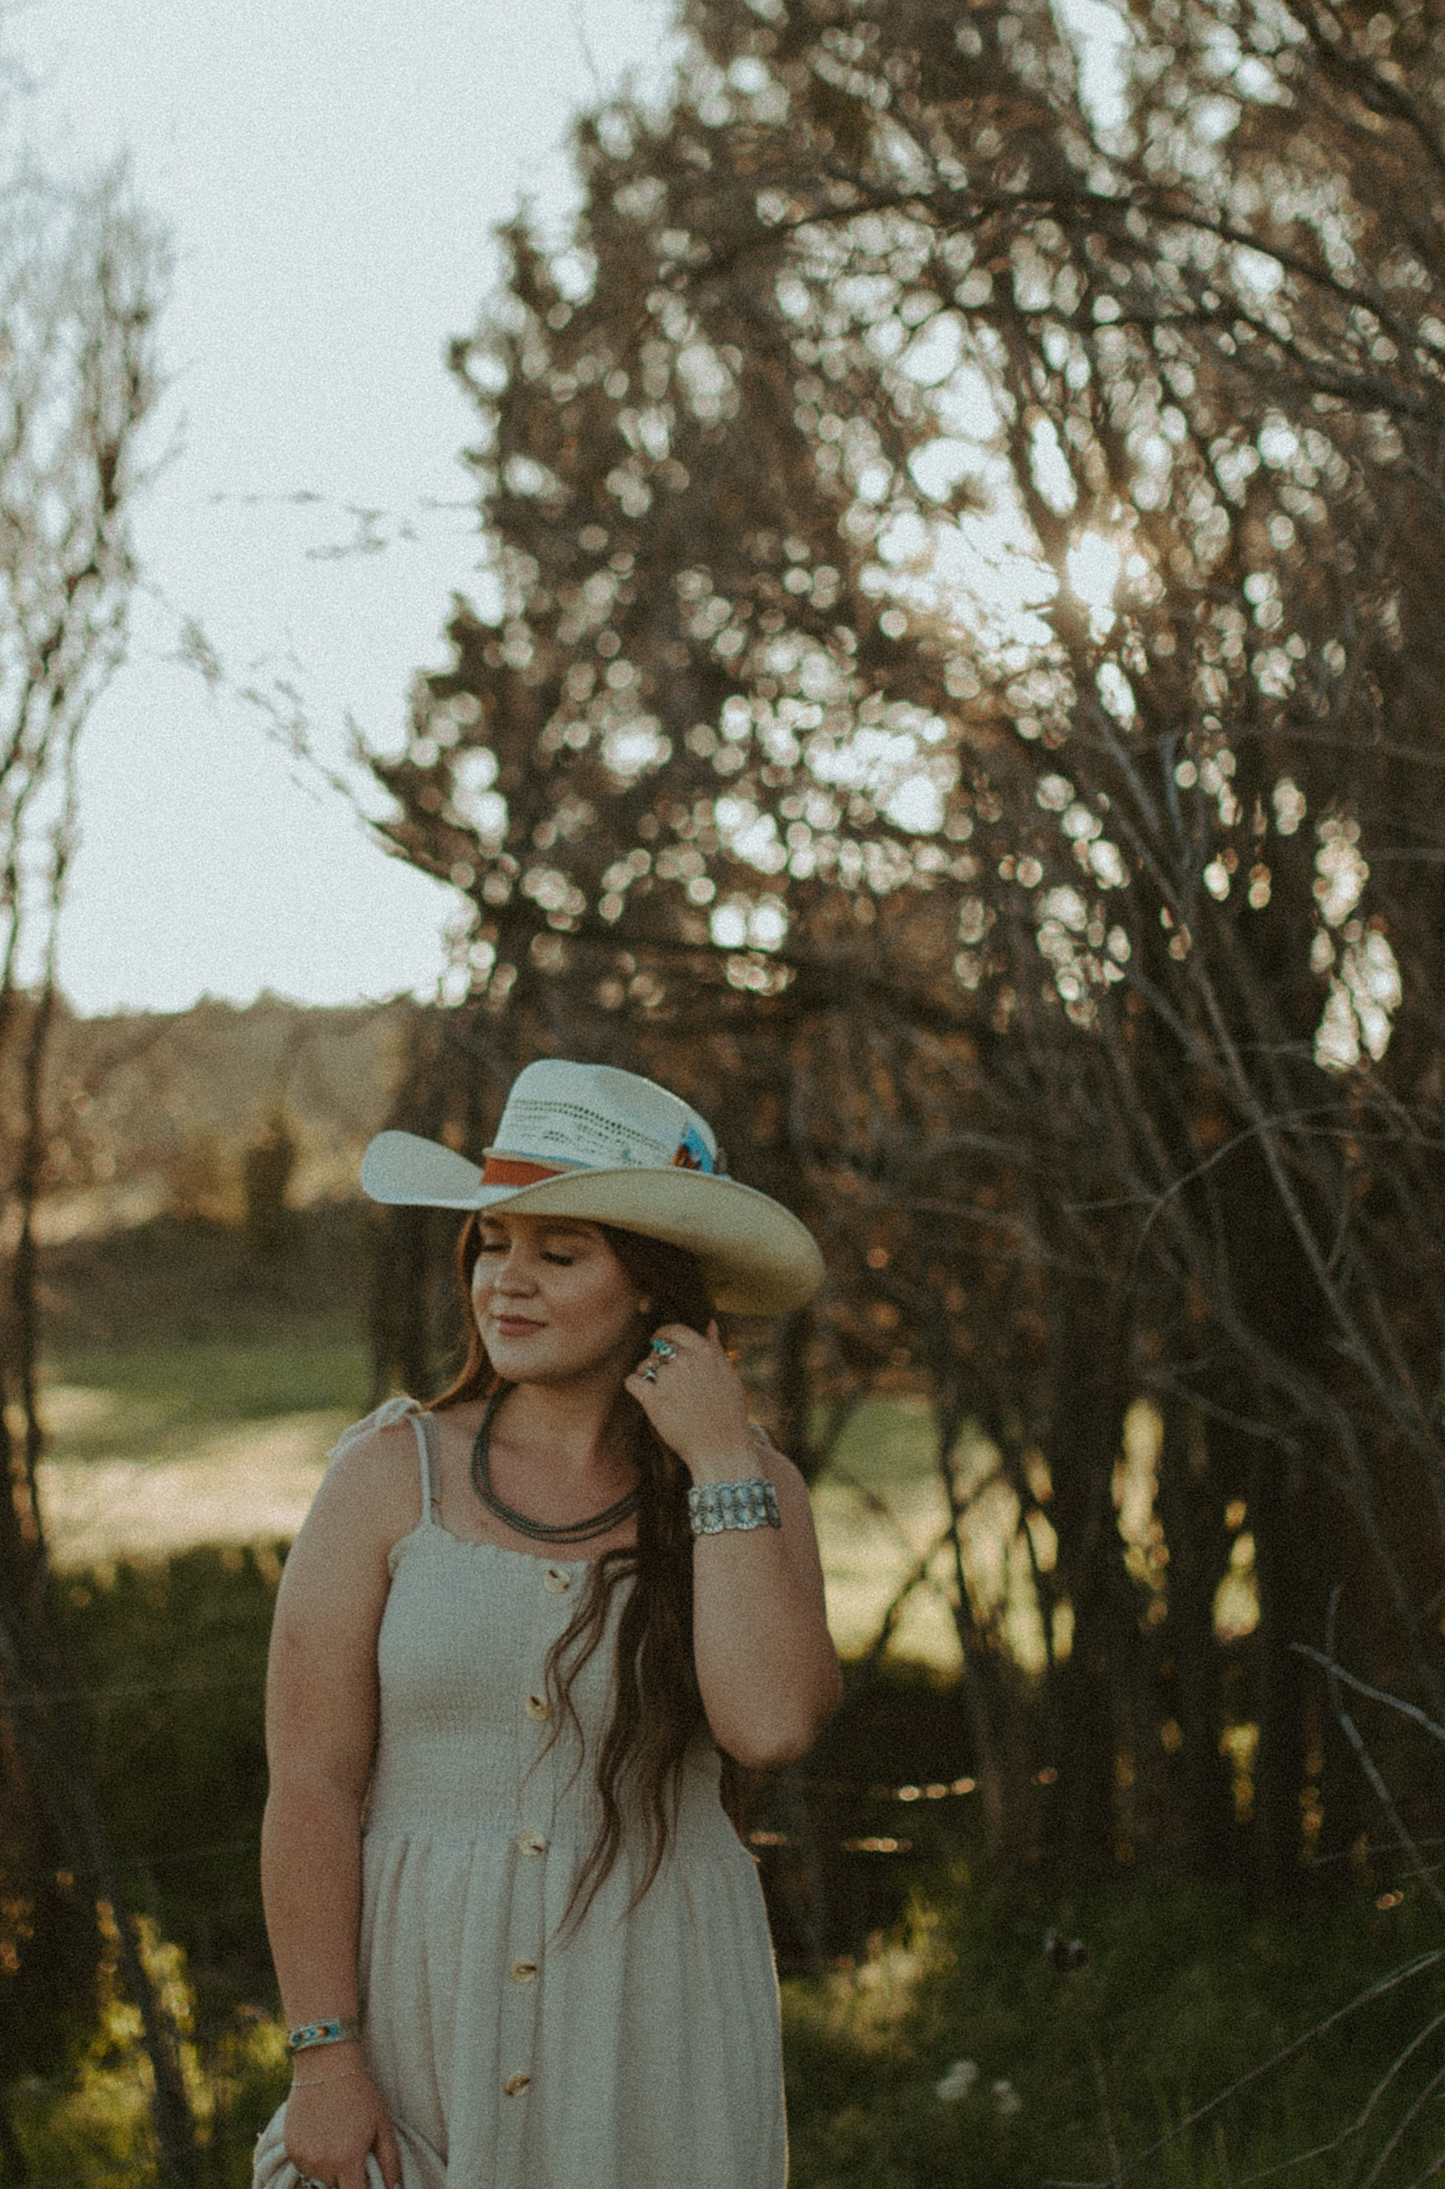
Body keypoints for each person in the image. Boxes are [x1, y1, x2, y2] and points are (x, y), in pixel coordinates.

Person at [252, 1059, 842, 2189]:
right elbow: (310, 1782)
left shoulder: (748, 1488)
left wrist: (717, 1457)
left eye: (558, 1253)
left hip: (652, 2010)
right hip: (421, 1997)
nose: (504, 1283)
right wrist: (324, 2054)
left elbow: (769, 1726)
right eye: (490, 1243)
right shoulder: (388, 1475)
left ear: (652, 1290)